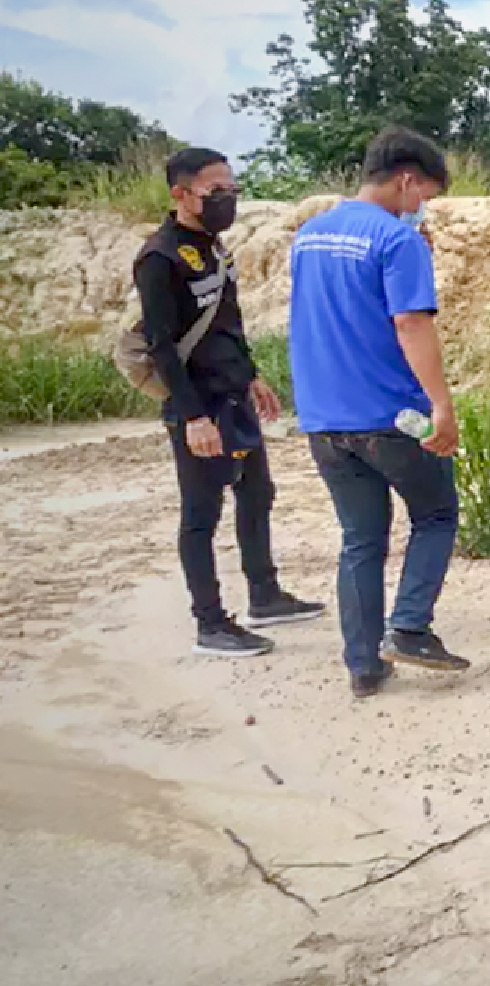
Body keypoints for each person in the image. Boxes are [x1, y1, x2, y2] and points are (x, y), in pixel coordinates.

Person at [290, 128, 465, 697]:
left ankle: (364, 664)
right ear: (407, 180)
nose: (423, 208)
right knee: (436, 514)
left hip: (323, 416)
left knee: (360, 538)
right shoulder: (397, 240)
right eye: (426, 196)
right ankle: (409, 627)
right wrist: (441, 402)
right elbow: (410, 322)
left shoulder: (309, 235)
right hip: (390, 413)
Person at [137, 147, 322, 657]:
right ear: (180, 194)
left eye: (232, 189)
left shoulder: (215, 249)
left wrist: (251, 376)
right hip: (198, 403)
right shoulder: (160, 257)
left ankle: (265, 595)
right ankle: (210, 622)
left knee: (257, 492)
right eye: (215, 191)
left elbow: (227, 324)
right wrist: (193, 416)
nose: (227, 199)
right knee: (201, 512)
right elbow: (162, 346)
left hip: (233, 395)